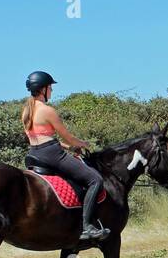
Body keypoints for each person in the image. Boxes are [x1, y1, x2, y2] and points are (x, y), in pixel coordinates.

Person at [21, 71, 110, 241]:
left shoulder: (26, 111)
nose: (52, 91)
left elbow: (41, 138)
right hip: (52, 155)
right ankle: (87, 227)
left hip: (34, 154)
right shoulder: (47, 111)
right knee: (95, 180)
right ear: (43, 89)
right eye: (50, 87)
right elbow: (67, 136)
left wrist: (69, 147)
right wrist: (81, 144)